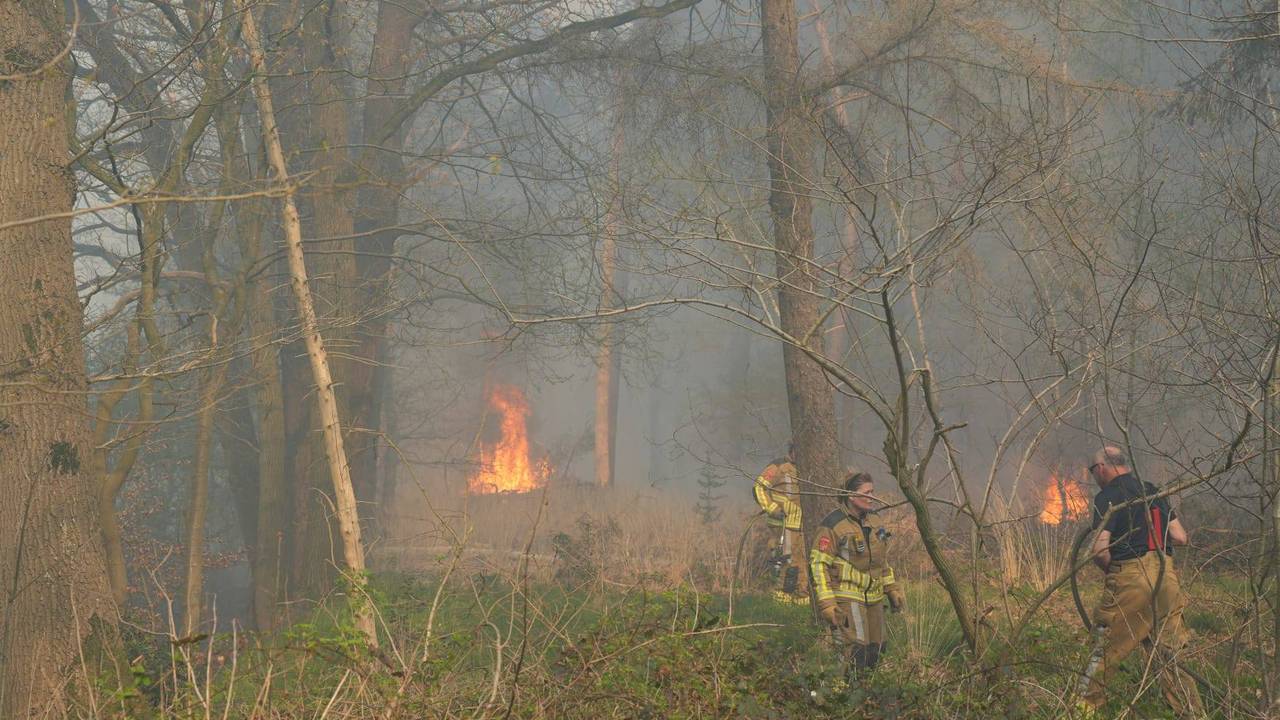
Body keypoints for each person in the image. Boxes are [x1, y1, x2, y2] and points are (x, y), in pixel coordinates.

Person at [1076, 446, 1203, 717]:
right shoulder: (1152, 491)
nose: (1094, 475)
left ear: (1102, 468)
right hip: (1166, 577)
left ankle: (1079, 711)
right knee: (1169, 655)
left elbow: (1099, 550)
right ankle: (1191, 714)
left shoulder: (1107, 496)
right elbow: (1181, 537)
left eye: (1093, 470)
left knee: (1105, 650)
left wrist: (1119, 571)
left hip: (1130, 577)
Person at [810, 471, 905, 675]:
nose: (872, 497)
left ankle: (868, 699)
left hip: (875, 598)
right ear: (851, 496)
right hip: (847, 597)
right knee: (855, 652)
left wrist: (892, 589)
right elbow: (818, 565)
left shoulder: (876, 521)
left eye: (873, 491)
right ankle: (844, 700)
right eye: (866, 493)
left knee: (877, 650)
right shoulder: (833, 525)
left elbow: (882, 561)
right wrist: (827, 603)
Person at [752, 445, 808, 602]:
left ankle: (801, 597)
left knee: (803, 559)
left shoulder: (809, 467)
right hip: (783, 523)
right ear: (791, 450)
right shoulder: (777, 466)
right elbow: (758, 488)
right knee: (788, 560)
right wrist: (773, 508)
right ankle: (783, 597)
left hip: (803, 524)